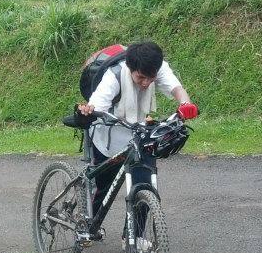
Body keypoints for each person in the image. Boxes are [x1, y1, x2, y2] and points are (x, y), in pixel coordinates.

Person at [77, 41, 198, 217]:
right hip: (108, 136)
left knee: (144, 185)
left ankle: (136, 237)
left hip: (139, 135)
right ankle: (88, 224)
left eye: (151, 78)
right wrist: (89, 110)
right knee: (104, 188)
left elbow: (177, 88)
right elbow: (96, 106)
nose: (146, 83)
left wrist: (186, 104)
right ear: (129, 67)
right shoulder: (114, 76)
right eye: (141, 77)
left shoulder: (155, 67)